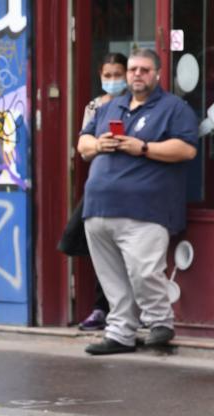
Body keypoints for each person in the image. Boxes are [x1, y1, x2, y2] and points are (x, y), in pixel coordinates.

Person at [77, 49, 198, 355]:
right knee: (111, 277)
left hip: (146, 209)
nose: (136, 74)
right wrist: (98, 143)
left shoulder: (173, 108)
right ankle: (120, 333)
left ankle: (160, 322)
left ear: (157, 74)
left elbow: (186, 150)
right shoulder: (109, 106)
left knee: (144, 272)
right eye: (132, 69)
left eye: (144, 69)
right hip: (98, 208)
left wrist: (142, 148)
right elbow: (83, 143)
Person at [63, 52, 129, 332]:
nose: (112, 80)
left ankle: (119, 311)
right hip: (100, 185)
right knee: (88, 244)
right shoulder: (95, 107)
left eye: (117, 74)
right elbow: (84, 148)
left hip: (131, 186)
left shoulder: (136, 106)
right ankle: (103, 308)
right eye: (107, 75)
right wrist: (100, 144)